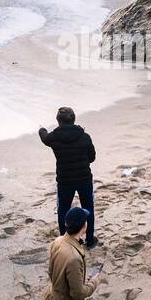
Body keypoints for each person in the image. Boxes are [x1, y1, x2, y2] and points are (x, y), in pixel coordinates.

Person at [38, 106, 99, 248]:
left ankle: (65, 242)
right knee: (88, 208)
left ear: (58, 121)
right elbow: (92, 158)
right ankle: (90, 240)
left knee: (63, 210)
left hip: (65, 181)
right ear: (74, 120)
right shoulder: (84, 137)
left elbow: (44, 138)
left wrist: (41, 129)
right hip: (84, 179)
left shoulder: (53, 137)